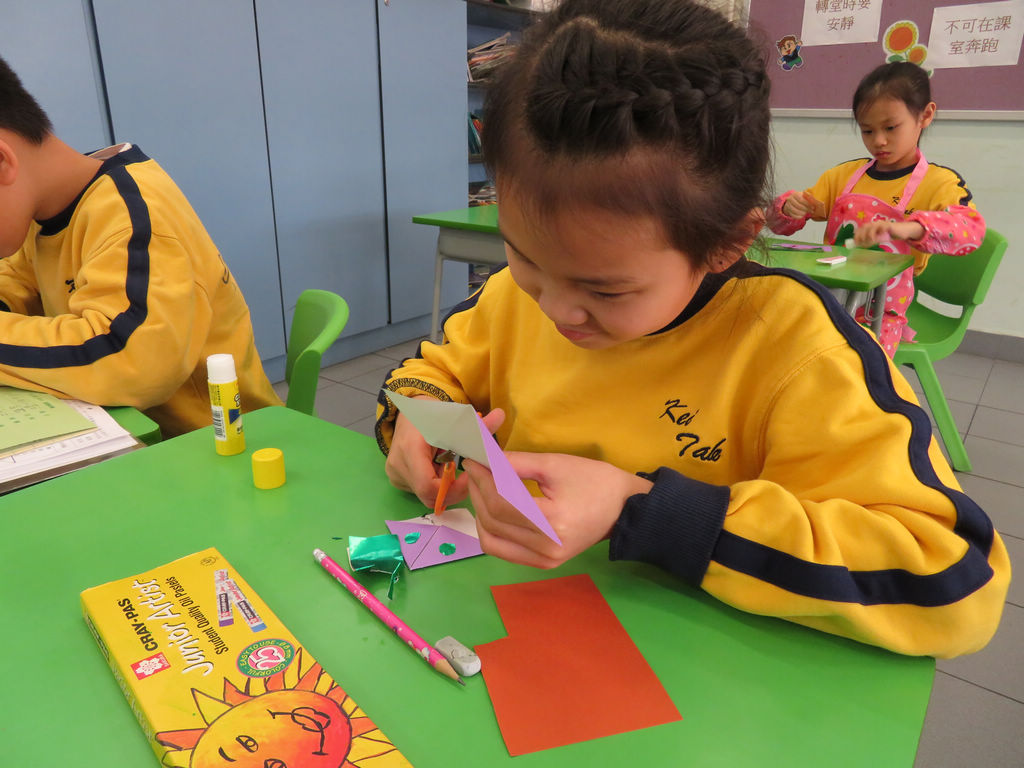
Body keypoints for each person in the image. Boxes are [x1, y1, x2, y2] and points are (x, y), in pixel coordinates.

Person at [375, 0, 1008, 658]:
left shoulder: (796, 348)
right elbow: (428, 373)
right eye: (524, 254)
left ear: (726, 244)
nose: (555, 309)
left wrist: (640, 508)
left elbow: (955, 579)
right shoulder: (511, 299)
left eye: (605, 289)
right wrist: (420, 422)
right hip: (512, 633)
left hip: (707, 673)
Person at [0, 56, 281, 436]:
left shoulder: (130, 214)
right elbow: (15, 286)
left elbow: (131, 360)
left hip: (219, 440)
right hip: (136, 434)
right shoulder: (44, 208)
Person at [766, 61, 985, 357]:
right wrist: (788, 208)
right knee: (786, 342)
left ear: (925, 115)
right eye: (867, 131)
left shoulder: (939, 183)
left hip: (883, 311)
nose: (878, 141)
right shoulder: (843, 177)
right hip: (831, 296)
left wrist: (911, 228)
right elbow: (778, 225)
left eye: (891, 128)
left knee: (857, 362)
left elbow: (971, 231)